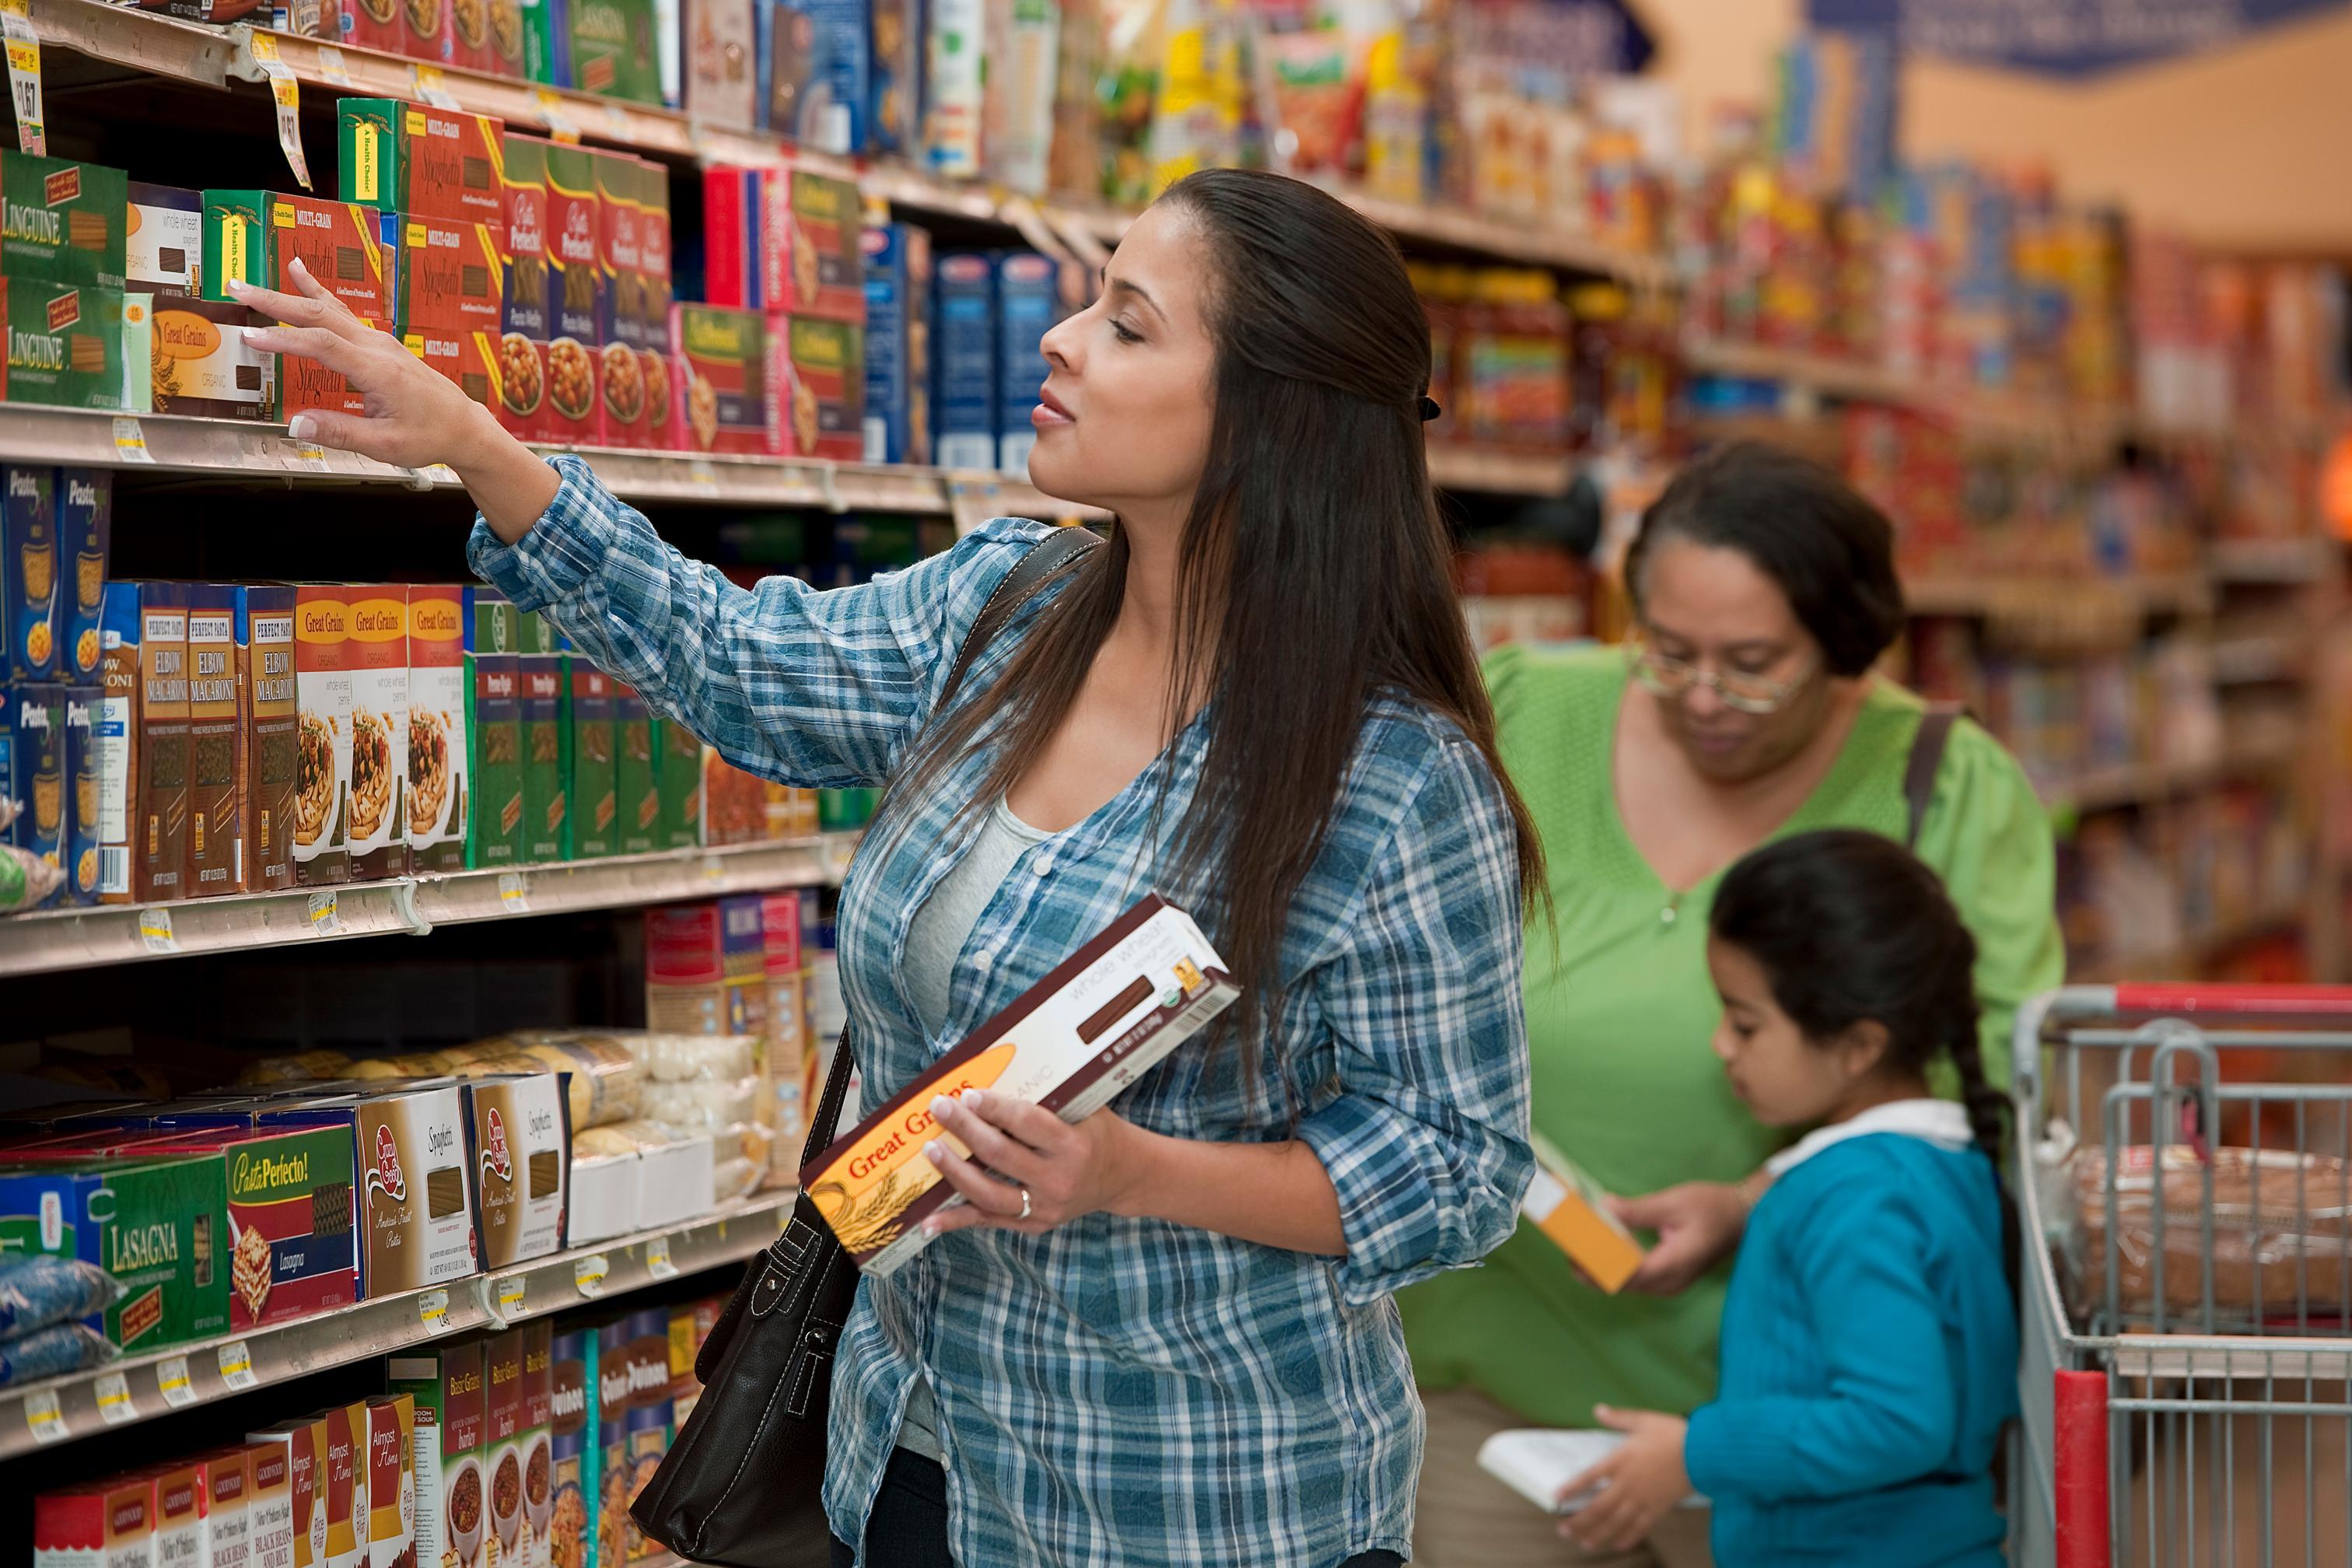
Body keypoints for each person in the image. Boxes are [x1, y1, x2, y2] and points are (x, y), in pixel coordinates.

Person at [231, 167, 1541, 1568]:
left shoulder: (1388, 778)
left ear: (1268, 420)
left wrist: (1131, 1171)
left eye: (1128, 322)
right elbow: (734, 663)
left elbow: (1458, 1168)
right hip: (911, 1456)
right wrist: (474, 446)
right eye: (1088, 297)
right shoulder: (1006, 610)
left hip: (1197, 1502)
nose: (1060, 339)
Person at [1402, 441, 2060, 1568]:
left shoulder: (1942, 779)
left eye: (1755, 662)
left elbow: (1988, 1078)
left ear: (1844, 645)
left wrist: (1757, 1196)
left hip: (1799, 1414)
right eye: (1667, 651)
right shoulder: (1520, 707)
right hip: (1493, 1386)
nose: (1704, 696)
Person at [1557, 828, 2018, 1566]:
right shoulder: (1936, 1163)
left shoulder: (1859, 1199)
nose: (1720, 1045)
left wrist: (1695, 1454)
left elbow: (1897, 1421)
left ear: (1859, 1046)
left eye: (1745, 1024)